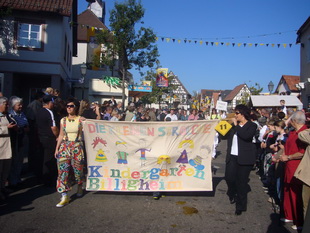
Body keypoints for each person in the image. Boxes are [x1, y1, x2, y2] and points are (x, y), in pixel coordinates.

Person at [225, 104, 257, 215]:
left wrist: (236, 125)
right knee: (229, 178)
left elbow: (246, 136)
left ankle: (240, 206)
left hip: (245, 158)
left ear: (243, 114)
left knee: (241, 183)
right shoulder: (234, 126)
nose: (235, 115)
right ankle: (232, 192)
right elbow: (223, 135)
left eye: (237, 113)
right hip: (232, 156)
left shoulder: (251, 126)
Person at [54, 99, 85, 207]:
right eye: (67, 106)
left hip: (77, 146)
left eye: (71, 106)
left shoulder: (81, 120)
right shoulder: (63, 120)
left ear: (75, 107)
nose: (69, 108)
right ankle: (64, 195)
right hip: (65, 147)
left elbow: (94, 125)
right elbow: (61, 135)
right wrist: (57, 148)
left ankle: (80, 186)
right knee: (62, 172)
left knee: (78, 170)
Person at [279, 111, 307, 230]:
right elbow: (287, 146)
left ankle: (299, 220)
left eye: (291, 120)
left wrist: (289, 157)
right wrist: (283, 155)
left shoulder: (304, 133)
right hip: (288, 164)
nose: (290, 122)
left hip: (297, 166)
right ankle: (289, 214)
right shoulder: (292, 132)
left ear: (295, 121)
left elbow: (302, 152)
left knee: (296, 193)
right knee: (287, 189)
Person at [36, 95, 59, 186]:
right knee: (49, 159)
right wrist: (57, 136)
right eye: (52, 102)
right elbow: (53, 127)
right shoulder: (49, 112)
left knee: (41, 158)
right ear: (49, 103)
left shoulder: (39, 111)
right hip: (49, 138)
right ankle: (48, 180)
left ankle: (40, 178)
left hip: (40, 137)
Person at [8, 96, 29, 187]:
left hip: (23, 138)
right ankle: (12, 180)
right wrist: (22, 127)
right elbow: (18, 126)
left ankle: (17, 177)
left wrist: (22, 127)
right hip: (15, 139)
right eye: (18, 105)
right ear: (13, 105)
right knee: (14, 160)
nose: (20, 106)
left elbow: (25, 124)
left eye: (21, 104)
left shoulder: (22, 114)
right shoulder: (10, 115)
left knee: (20, 159)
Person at [0, 97, 17, 201]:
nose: (7, 106)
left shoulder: (8, 115)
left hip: (8, 148)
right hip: (1, 149)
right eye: (5, 104)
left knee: (5, 171)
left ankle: (2, 188)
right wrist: (7, 128)